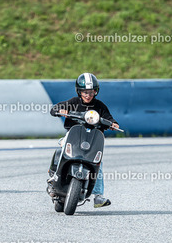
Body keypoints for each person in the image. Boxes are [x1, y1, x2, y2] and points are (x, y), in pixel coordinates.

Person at [49, 72, 119, 208]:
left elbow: (109, 118)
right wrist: (60, 110)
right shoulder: (73, 103)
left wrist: (113, 124)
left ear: (96, 91)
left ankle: (98, 196)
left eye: (91, 92)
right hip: (73, 137)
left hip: (91, 141)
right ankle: (54, 177)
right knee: (62, 147)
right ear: (79, 91)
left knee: (98, 163)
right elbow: (55, 108)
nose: (88, 95)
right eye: (85, 92)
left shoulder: (99, 106)